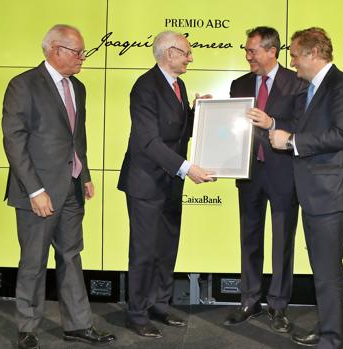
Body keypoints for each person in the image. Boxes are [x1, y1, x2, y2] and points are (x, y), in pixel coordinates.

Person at [2, 24, 115, 349]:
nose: (83, 58)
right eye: (78, 52)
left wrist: (87, 174)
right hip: (38, 192)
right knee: (34, 260)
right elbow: (14, 141)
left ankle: (78, 325)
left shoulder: (77, 87)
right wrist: (35, 191)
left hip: (71, 188)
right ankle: (27, 327)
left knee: (71, 256)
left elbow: (75, 137)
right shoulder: (23, 85)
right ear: (55, 50)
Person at [117, 30, 214, 338]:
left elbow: (176, 126)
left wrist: (197, 111)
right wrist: (186, 168)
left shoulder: (178, 84)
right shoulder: (145, 87)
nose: (190, 57)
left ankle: (159, 304)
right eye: (186, 52)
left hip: (170, 181)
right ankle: (137, 312)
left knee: (166, 247)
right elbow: (147, 141)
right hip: (146, 182)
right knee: (144, 250)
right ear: (169, 53)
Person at [269, 27, 343, 349]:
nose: (291, 62)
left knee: (327, 275)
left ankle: (332, 340)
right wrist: (276, 128)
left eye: (294, 55)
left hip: (329, 196)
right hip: (313, 194)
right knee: (322, 272)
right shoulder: (311, 89)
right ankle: (327, 331)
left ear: (311, 54)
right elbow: (303, 128)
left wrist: (291, 140)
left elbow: (341, 136)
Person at [223, 26, 306, 333]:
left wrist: (272, 123)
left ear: (272, 51)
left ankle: (279, 306)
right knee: (249, 238)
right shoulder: (239, 84)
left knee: (283, 241)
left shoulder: (297, 82)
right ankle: (249, 300)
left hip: (284, 173)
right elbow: (230, 128)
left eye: (252, 51)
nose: (248, 56)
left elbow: (301, 125)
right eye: (246, 50)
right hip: (248, 174)